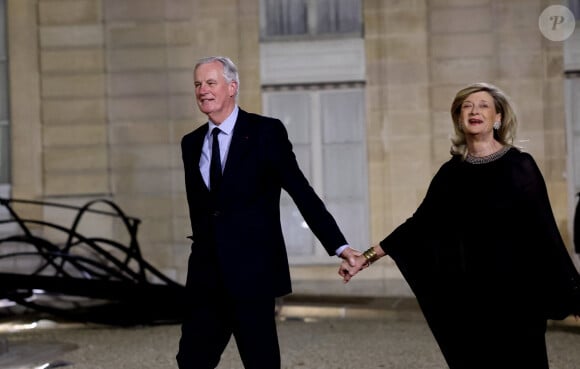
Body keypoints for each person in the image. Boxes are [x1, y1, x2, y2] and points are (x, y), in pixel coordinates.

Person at [339, 82, 580, 369]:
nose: (474, 111)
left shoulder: (520, 166)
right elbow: (418, 226)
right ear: (459, 118)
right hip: (470, 301)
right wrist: (366, 257)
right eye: (467, 106)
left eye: (483, 105)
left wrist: (575, 293)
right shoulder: (451, 173)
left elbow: (545, 232)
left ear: (498, 118)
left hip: (517, 298)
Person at [177, 56, 359, 369]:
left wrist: (338, 246)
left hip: (252, 275)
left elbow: (302, 192)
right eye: (197, 84)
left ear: (232, 87)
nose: (202, 90)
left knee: (261, 363)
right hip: (206, 278)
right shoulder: (191, 143)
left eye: (210, 82)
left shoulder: (265, 133)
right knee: (191, 361)